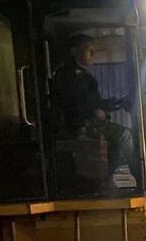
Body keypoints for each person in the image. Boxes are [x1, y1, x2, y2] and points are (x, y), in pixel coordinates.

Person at [51, 33, 131, 171]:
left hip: (86, 122)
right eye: (88, 48)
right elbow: (78, 104)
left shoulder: (76, 75)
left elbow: (93, 102)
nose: (93, 53)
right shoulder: (72, 76)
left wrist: (117, 103)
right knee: (125, 135)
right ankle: (139, 176)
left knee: (115, 147)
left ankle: (107, 176)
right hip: (81, 126)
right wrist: (98, 113)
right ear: (74, 51)